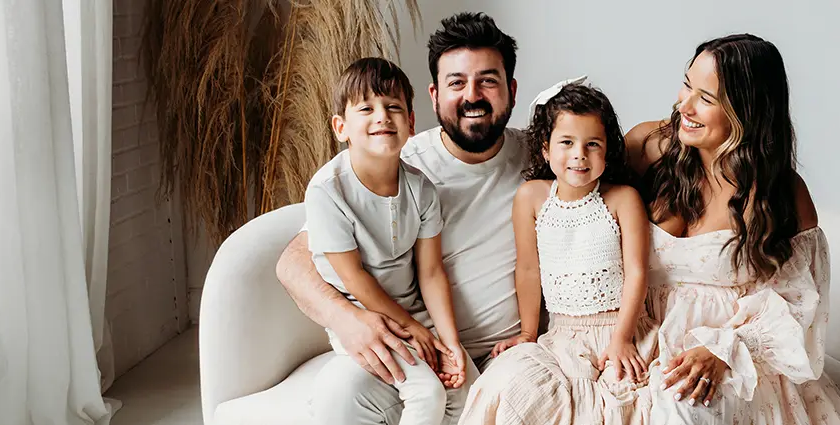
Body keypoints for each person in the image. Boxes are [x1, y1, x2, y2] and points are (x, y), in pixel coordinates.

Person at [459, 34, 840, 425]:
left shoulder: (781, 192)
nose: (684, 105)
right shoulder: (648, 146)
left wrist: (723, 351)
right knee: (516, 390)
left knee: (683, 407)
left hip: (718, 354)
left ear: (747, 111)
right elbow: (577, 196)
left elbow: (798, 304)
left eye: (706, 99)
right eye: (687, 85)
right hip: (632, 333)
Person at [274, 12, 530, 424]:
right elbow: (293, 263)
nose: (472, 95)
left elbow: (619, 147)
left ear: (511, 90)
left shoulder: (549, 156)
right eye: (456, 82)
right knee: (343, 390)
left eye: (488, 80)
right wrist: (349, 320)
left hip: (500, 355)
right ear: (434, 96)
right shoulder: (391, 159)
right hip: (404, 335)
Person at [461, 79, 657, 425]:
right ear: (546, 149)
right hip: (562, 336)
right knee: (507, 386)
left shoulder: (623, 199)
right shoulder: (531, 197)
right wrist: (528, 334)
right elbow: (528, 270)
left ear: (607, 150)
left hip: (620, 328)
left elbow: (637, 273)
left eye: (592, 144)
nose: (579, 154)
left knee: (610, 404)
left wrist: (622, 338)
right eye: (567, 142)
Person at [301, 56, 473, 425]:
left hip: (413, 310)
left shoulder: (421, 189)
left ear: (411, 122)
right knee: (427, 392)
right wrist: (411, 329)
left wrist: (450, 341)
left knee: (467, 385)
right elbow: (355, 279)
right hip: (365, 315)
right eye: (367, 108)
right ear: (341, 127)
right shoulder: (327, 191)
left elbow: (431, 272)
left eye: (393, 107)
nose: (382, 116)